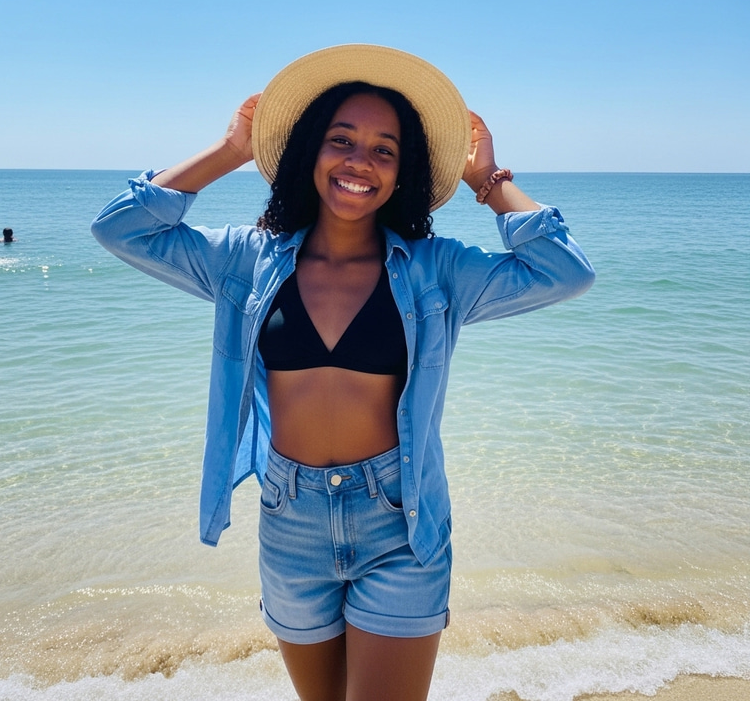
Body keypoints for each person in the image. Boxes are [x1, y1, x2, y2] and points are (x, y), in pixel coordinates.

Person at [91, 44, 595, 701]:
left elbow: (566, 271)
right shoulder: (246, 259)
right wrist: (229, 152)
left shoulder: (436, 268)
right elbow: (121, 228)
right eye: (342, 141)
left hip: (399, 520)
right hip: (289, 516)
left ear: (403, 170)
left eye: (385, 149)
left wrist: (488, 181)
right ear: (310, 153)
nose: (361, 161)